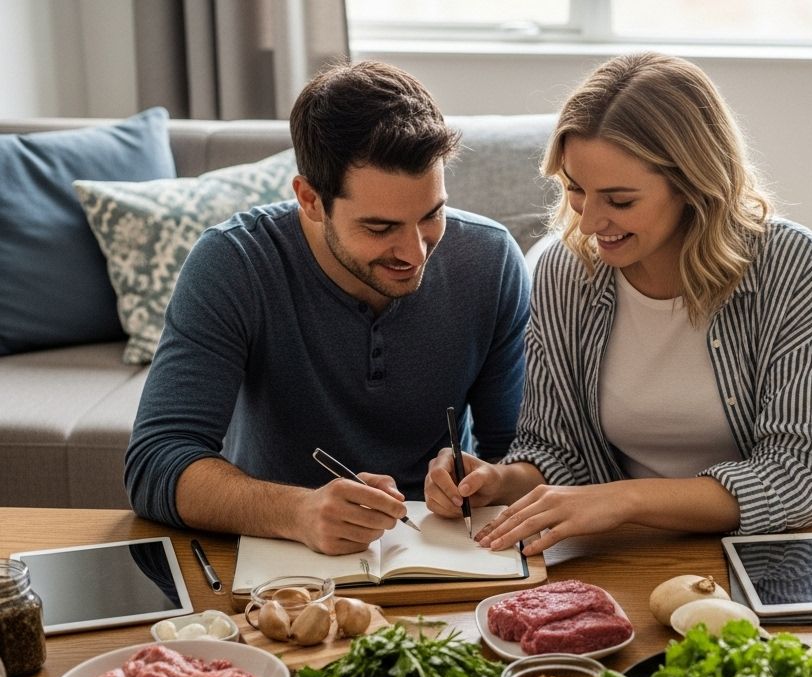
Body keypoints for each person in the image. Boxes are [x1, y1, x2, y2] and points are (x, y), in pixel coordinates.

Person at [424, 52, 812, 556]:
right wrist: (498, 479)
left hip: (793, 542)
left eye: (620, 201)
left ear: (693, 185)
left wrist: (623, 500)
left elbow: (800, 477)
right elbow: (556, 449)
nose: (592, 221)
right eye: (578, 190)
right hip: (633, 550)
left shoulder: (789, 263)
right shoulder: (564, 270)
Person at [126, 61, 531, 555]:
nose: (415, 252)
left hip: (442, 551)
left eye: (431, 214)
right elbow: (155, 461)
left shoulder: (490, 260)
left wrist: (489, 477)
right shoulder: (234, 263)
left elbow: (518, 450)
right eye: (380, 228)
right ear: (310, 199)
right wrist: (296, 512)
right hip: (277, 554)